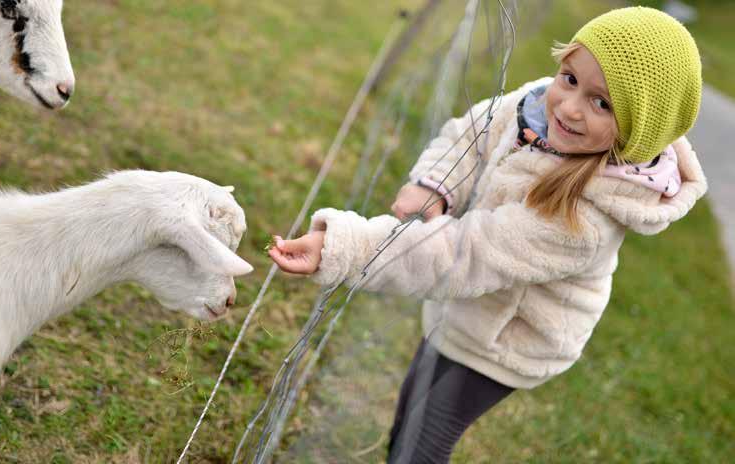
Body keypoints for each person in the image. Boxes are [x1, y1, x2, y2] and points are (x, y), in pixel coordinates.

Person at [268, 7, 707, 463]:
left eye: (603, 103)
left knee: (425, 439)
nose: (570, 107)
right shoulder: (536, 107)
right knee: (409, 413)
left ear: (640, 128)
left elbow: (462, 253)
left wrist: (346, 247)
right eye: (570, 78)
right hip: (467, 308)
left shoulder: (583, 218)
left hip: (507, 339)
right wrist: (434, 183)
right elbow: (473, 133)